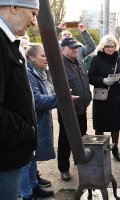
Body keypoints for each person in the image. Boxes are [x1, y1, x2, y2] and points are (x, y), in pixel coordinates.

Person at [0, 1, 39, 199]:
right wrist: (25, 131)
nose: (34, 22)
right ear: (13, 7)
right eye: (33, 13)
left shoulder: (7, 42)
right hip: (5, 157)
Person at [19, 43, 56, 200]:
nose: (47, 58)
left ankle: (34, 187)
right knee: (26, 162)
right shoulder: (29, 74)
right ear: (31, 57)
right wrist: (60, 97)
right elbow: (38, 101)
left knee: (32, 158)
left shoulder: (41, 72)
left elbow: (49, 92)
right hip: (30, 122)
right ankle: (27, 195)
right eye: (43, 55)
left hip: (39, 121)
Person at [88, 35, 120, 162]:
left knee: (115, 126)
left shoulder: (119, 59)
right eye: (107, 46)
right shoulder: (96, 59)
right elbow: (90, 78)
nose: (110, 49)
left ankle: (115, 149)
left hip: (115, 97)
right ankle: (99, 150)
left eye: (113, 46)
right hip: (101, 97)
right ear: (102, 47)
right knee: (100, 126)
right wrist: (103, 80)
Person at [58, 37, 92, 181]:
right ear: (62, 49)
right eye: (72, 47)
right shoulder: (59, 65)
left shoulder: (79, 62)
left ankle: (79, 158)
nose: (76, 50)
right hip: (68, 110)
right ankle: (64, 168)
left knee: (82, 135)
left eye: (77, 47)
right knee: (65, 139)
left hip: (82, 108)